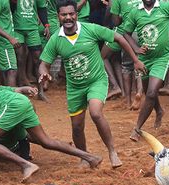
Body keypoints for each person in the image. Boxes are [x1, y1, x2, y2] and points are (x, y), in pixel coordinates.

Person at [0, 69, 102, 182]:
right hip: (19, 104)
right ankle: (91, 157)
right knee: (45, 141)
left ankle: (26, 165)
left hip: (13, 104)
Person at [39, 0, 146, 168]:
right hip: (75, 87)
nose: (68, 18)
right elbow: (44, 63)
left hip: (96, 81)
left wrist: (136, 60)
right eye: (64, 15)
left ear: (76, 14)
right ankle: (85, 157)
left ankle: (112, 151)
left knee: (96, 113)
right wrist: (43, 73)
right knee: (76, 127)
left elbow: (118, 37)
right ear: (58, 17)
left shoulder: (90, 29)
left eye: (71, 14)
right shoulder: (56, 39)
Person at [123, 0, 169, 141]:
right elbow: (126, 33)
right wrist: (136, 48)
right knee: (151, 91)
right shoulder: (135, 11)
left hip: (161, 58)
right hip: (144, 59)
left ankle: (137, 129)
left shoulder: (166, 7)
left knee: (150, 92)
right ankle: (159, 110)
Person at [12, 0, 49, 100]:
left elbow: (41, 8)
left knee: (38, 59)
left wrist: (46, 25)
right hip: (16, 29)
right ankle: (20, 88)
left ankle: (40, 91)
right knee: (19, 58)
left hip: (33, 29)